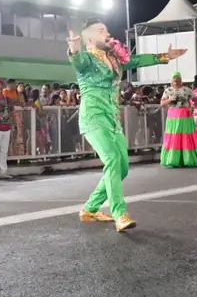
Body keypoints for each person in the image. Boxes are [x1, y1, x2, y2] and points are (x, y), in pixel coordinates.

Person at [68, 19, 187, 231]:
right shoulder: (86, 59)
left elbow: (137, 60)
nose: (107, 33)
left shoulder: (115, 59)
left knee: (121, 168)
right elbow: (77, 60)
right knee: (112, 159)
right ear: (89, 39)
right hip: (94, 117)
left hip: (113, 118)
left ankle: (90, 208)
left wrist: (165, 56)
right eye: (101, 31)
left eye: (107, 30)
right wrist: (74, 49)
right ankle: (120, 214)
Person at [160, 71, 197, 168]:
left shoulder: (186, 89)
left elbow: (195, 99)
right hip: (173, 116)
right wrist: (170, 99)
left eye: (178, 79)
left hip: (185, 115)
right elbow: (162, 103)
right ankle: (173, 159)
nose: (176, 81)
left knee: (186, 136)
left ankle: (187, 159)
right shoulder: (168, 90)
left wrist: (192, 106)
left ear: (181, 80)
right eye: (174, 79)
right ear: (171, 80)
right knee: (174, 136)